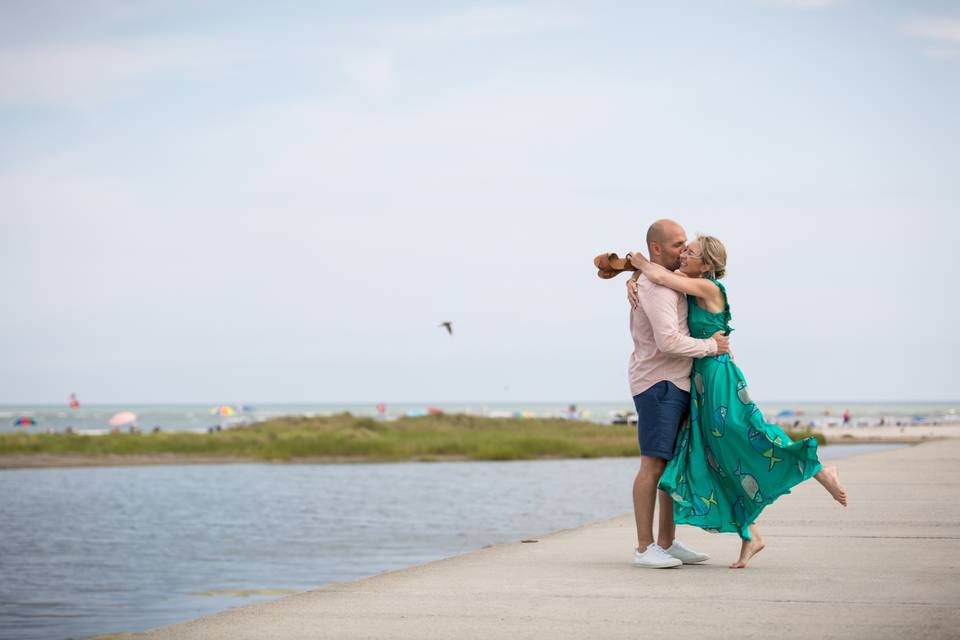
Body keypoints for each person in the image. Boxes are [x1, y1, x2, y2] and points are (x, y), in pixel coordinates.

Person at [627, 234, 847, 569]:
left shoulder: (708, 288)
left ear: (708, 264)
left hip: (717, 374)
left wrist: (639, 264)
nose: (685, 252)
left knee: (746, 432)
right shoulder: (688, 282)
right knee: (715, 455)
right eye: (683, 247)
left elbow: (659, 276)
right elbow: (656, 281)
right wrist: (633, 277)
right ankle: (749, 534)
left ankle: (815, 467)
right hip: (698, 378)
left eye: (692, 251)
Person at [626, 219, 731, 569]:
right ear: (657, 249)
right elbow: (668, 342)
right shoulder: (658, 288)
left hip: (677, 382)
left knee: (671, 466)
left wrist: (632, 272)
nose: (684, 250)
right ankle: (644, 548)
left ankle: (666, 542)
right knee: (653, 465)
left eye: (687, 244)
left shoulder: (671, 282)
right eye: (677, 245)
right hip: (659, 383)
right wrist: (711, 347)